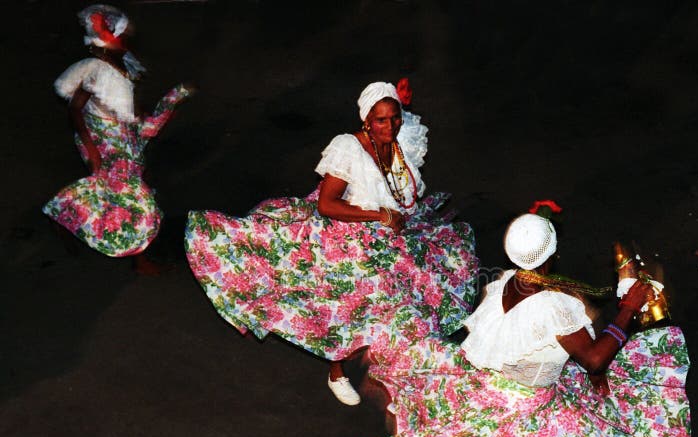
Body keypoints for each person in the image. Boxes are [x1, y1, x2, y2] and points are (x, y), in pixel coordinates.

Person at [347, 204, 694, 437]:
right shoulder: (553, 307)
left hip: (497, 390)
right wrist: (627, 309)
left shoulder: (508, 280)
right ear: (553, 255)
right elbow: (593, 359)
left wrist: (539, 216)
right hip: (532, 404)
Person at [184, 80, 479, 405]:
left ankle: (393, 370)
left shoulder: (400, 137)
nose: (391, 125)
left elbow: (402, 185)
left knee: (410, 297)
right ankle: (337, 371)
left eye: (395, 117)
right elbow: (327, 204)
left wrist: (390, 216)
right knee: (347, 305)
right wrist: (378, 216)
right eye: (381, 120)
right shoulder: (348, 149)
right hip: (349, 231)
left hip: (389, 237)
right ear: (367, 119)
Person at [43, 4, 192, 275]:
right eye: (121, 35)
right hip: (104, 142)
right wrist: (93, 151)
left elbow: (123, 97)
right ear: (107, 38)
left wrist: (138, 112)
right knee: (138, 200)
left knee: (117, 194)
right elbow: (75, 110)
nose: (126, 39)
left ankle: (64, 213)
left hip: (122, 136)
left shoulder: (120, 60)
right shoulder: (94, 69)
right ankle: (139, 259)